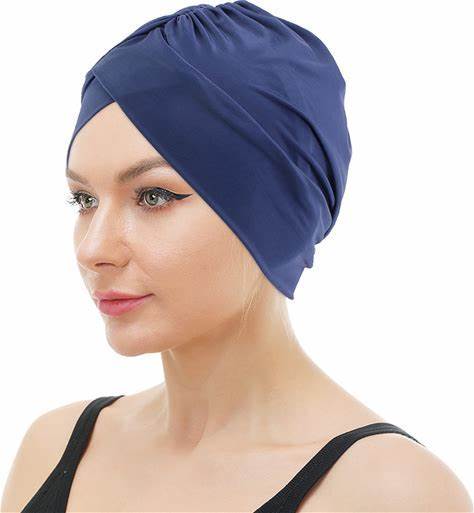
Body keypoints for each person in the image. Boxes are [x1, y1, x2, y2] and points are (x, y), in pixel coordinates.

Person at [2, 1, 472, 512]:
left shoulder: (388, 493)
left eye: (153, 196)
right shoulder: (54, 447)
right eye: (84, 200)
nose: (93, 249)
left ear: (278, 213)